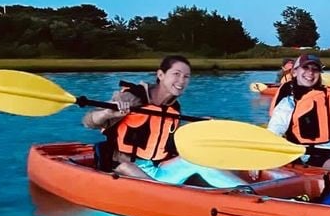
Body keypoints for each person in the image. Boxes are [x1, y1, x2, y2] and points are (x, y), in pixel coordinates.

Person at [82, 55, 247, 187]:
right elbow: (89, 122)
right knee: (134, 172)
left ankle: (252, 196)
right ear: (160, 75)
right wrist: (107, 113)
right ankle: (167, 200)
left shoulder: (174, 107)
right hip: (123, 167)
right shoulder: (131, 97)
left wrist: (196, 128)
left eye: (186, 77)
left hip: (157, 168)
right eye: (176, 74)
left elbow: (162, 138)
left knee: (201, 161)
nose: (181, 81)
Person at [267, 53, 330, 167]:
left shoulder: (327, 97)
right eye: (305, 67)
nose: (310, 72)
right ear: (294, 72)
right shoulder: (288, 103)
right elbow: (274, 133)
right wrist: (267, 160)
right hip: (312, 155)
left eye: (315, 69)